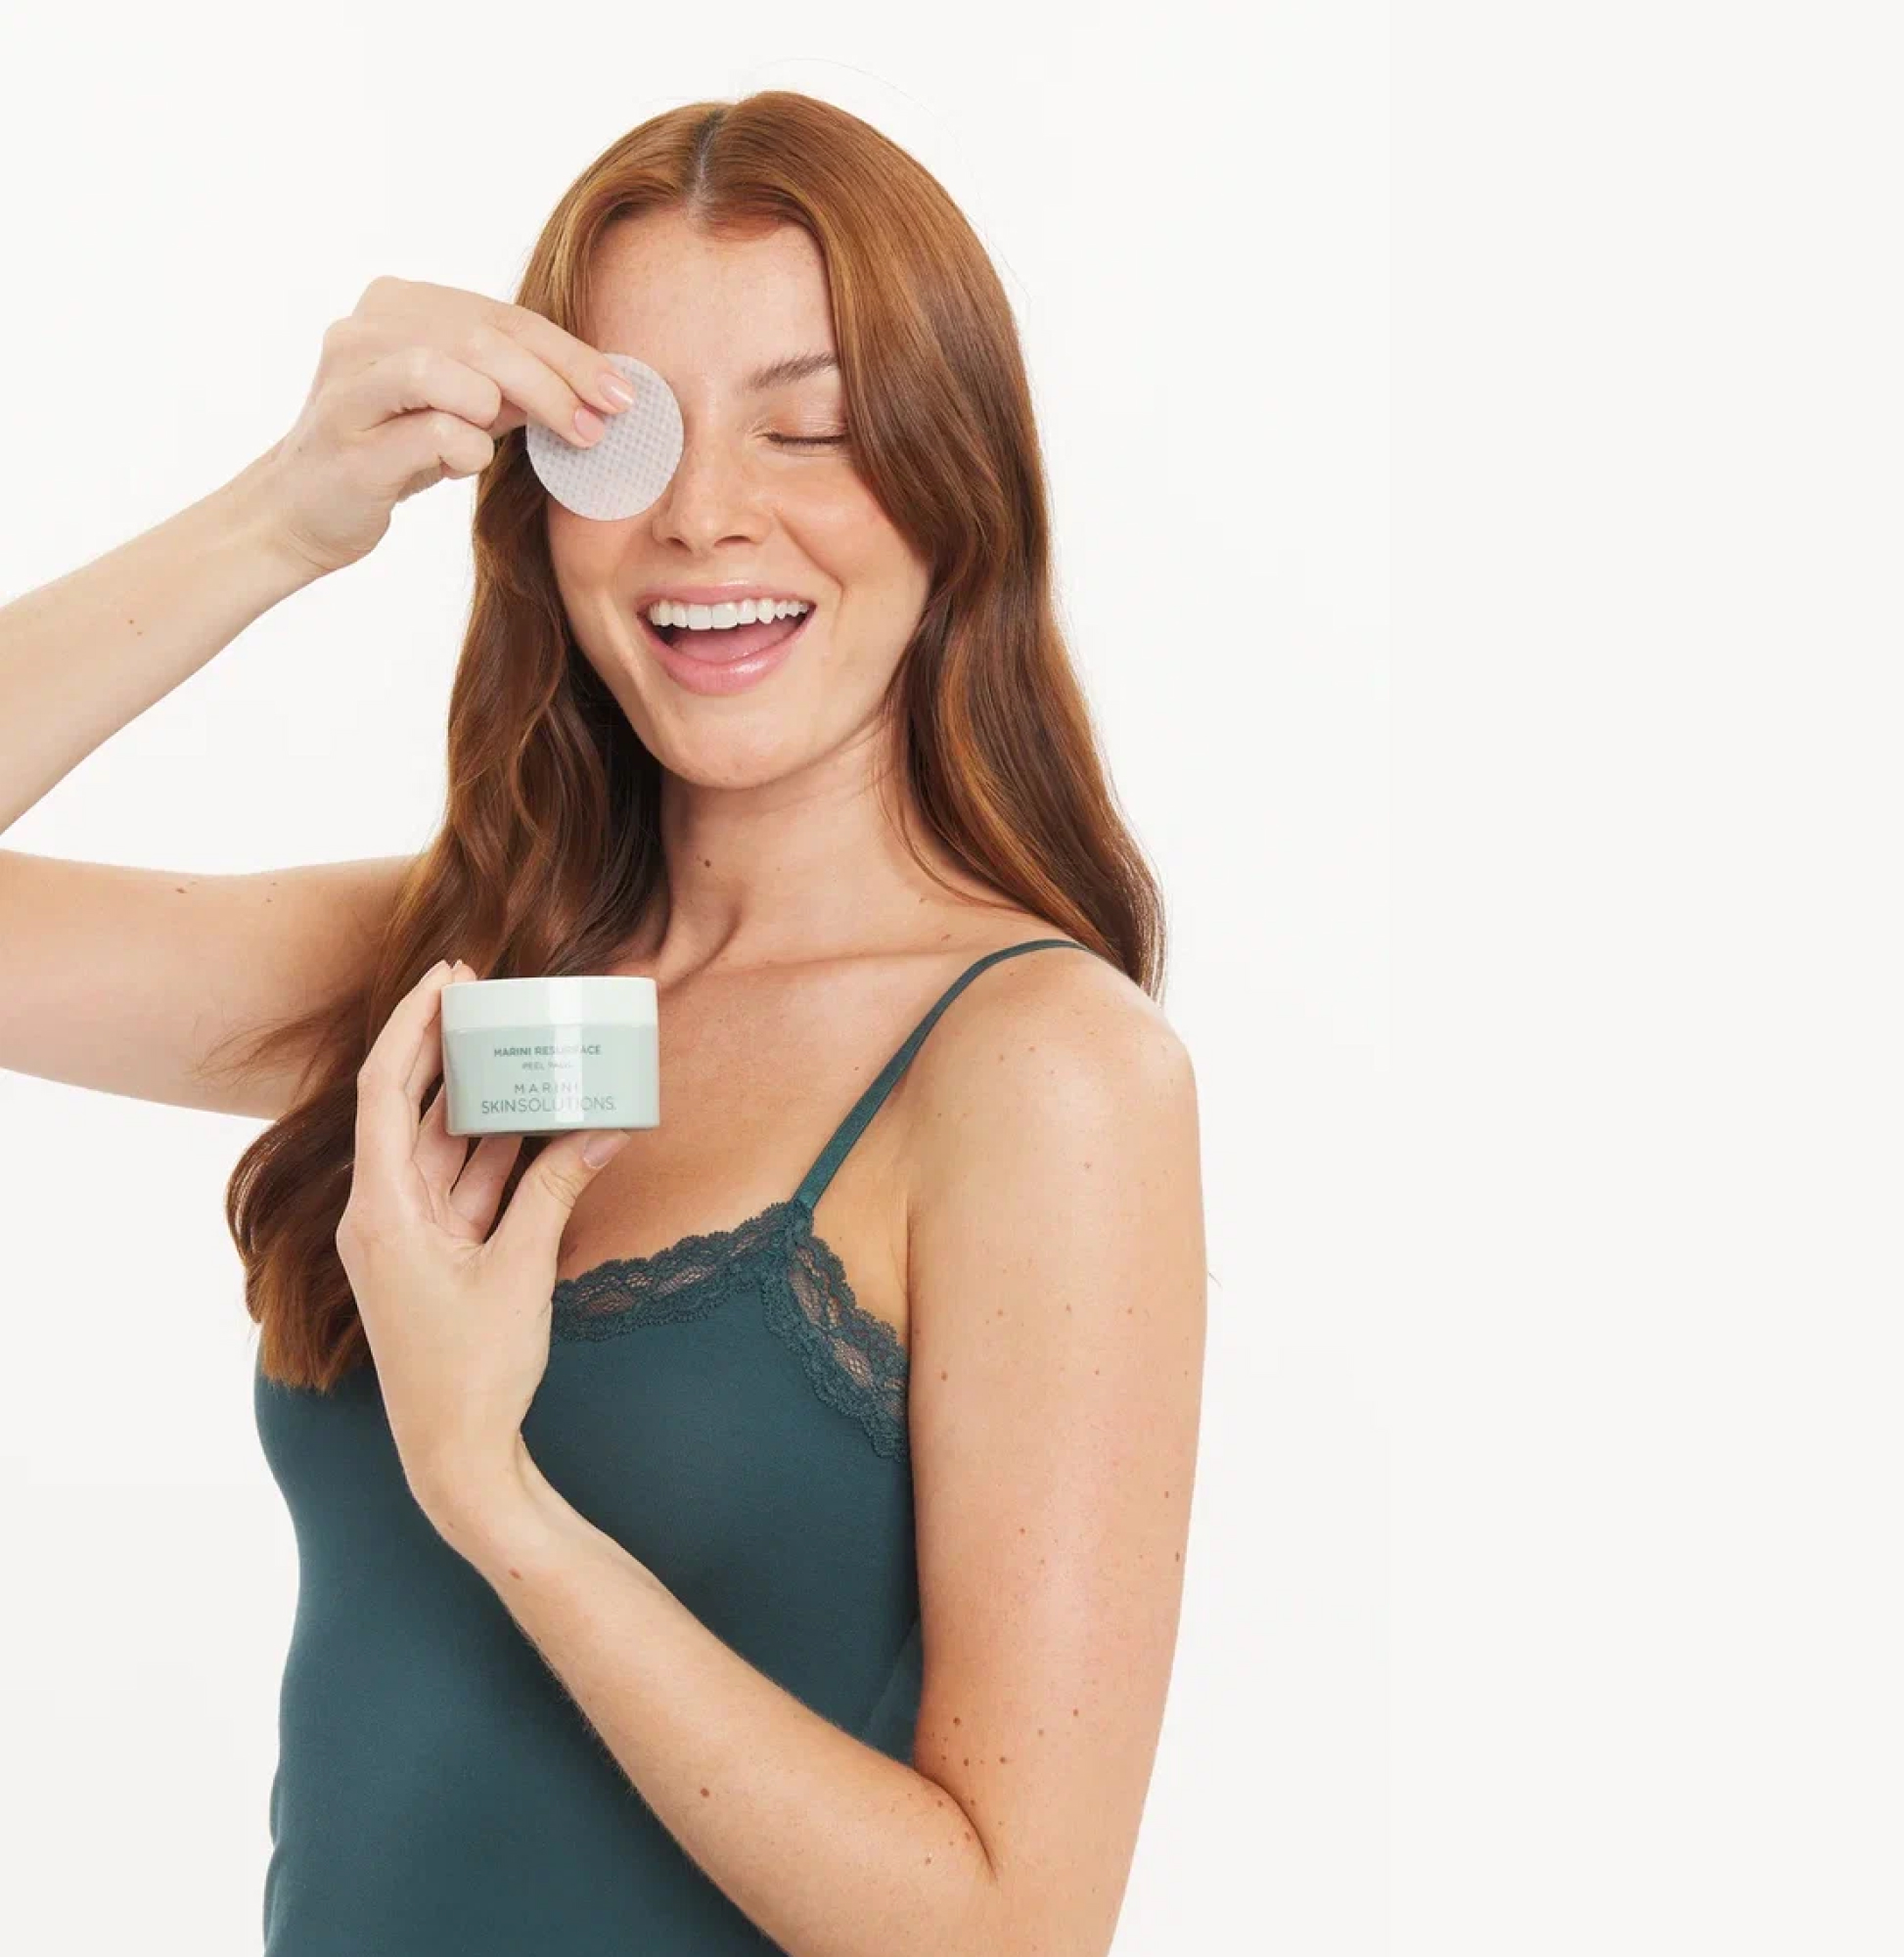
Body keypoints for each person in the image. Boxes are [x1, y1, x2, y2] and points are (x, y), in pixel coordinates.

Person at [0, 90, 1206, 1957]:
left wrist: (495, 1494)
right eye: (621, 436)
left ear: (958, 487)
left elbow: (1011, 1926)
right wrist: (279, 518)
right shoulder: (438, 974)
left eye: (809, 426)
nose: (702, 514)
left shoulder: (1040, 1070)